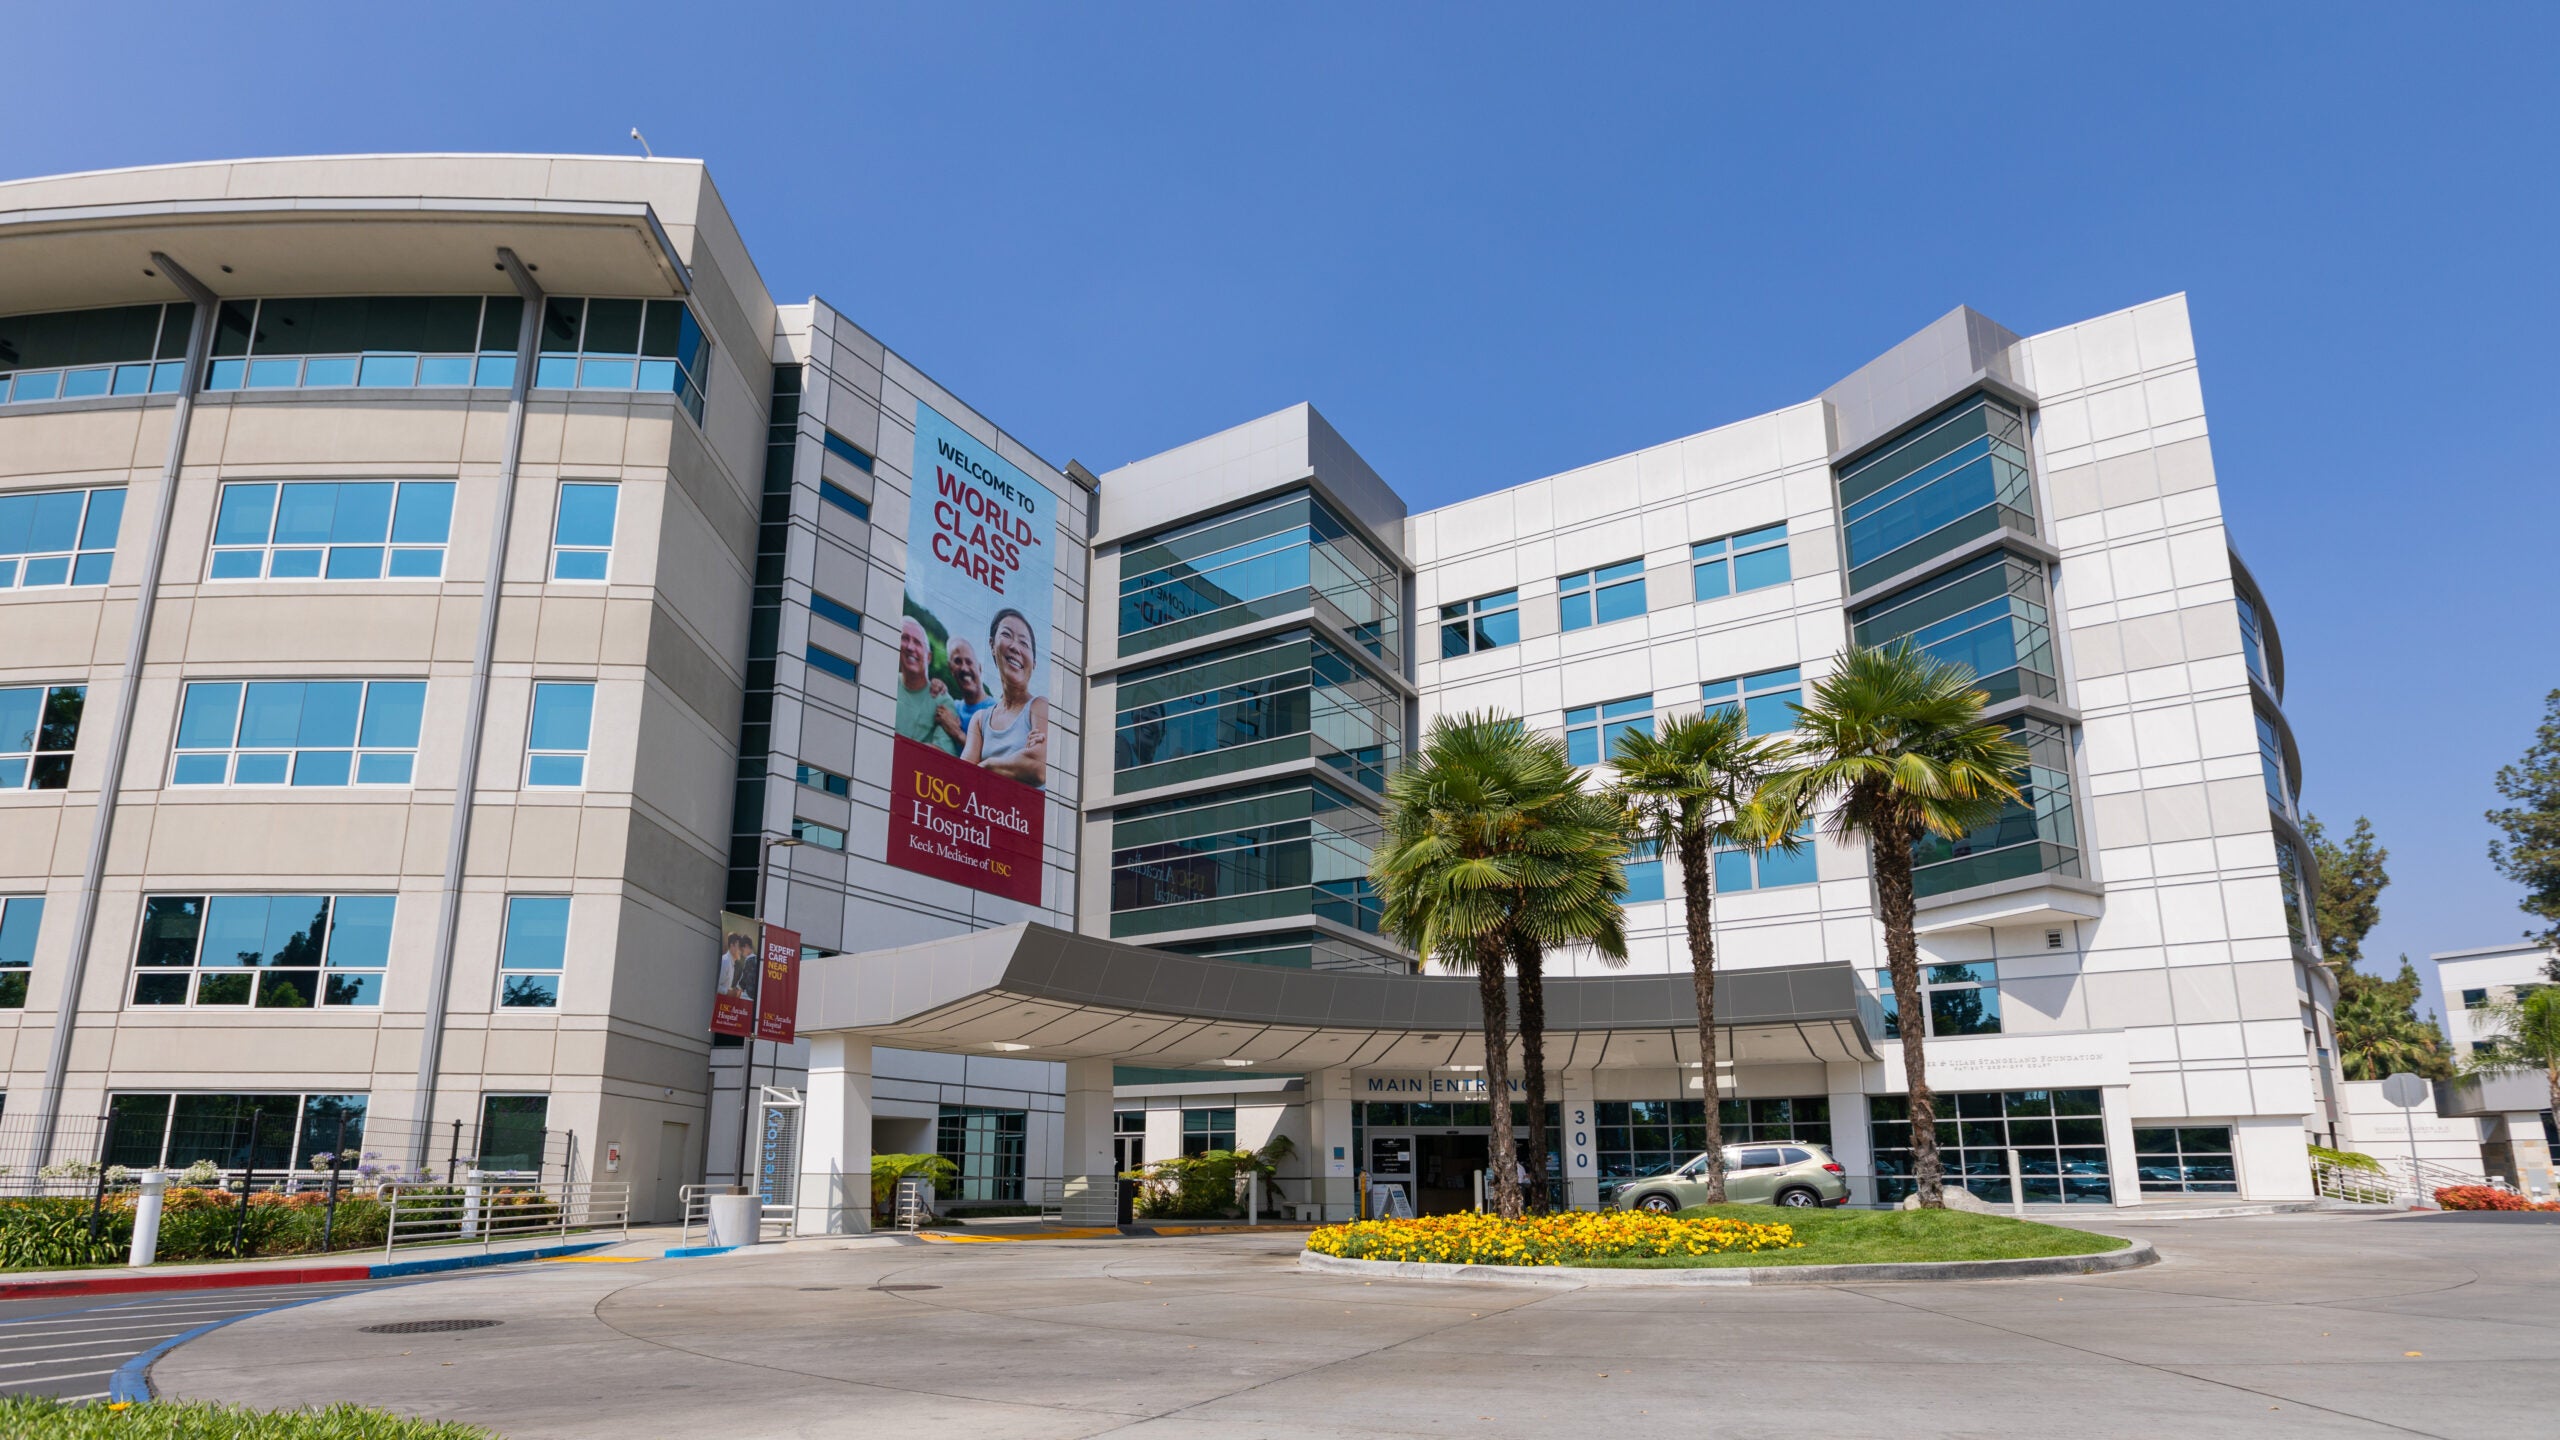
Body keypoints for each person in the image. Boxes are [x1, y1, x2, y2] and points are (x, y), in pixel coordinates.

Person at [962, 607, 1049, 787]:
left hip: (1024, 814)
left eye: (1024, 643)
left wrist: (988, 765)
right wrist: (1020, 758)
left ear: (1034, 662)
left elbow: (1039, 768)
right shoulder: (980, 720)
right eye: (1007, 635)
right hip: (986, 813)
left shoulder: (1039, 707)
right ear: (992, 645)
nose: (1015, 647)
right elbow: (963, 776)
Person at [894, 617, 962, 755]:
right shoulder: (886, 683)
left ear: (929, 657)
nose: (910, 647)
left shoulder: (941, 699)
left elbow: (941, 755)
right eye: (905, 638)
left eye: (917, 643)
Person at [942, 638, 994, 747]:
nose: (964, 668)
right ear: (951, 669)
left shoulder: (996, 711)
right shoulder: (952, 708)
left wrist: (958, 734)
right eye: (957, 661)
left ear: (979, 668)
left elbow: (992, 761)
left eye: (969, 662)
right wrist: (935, 685)